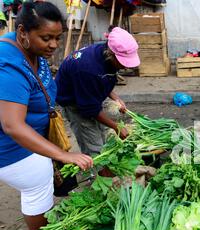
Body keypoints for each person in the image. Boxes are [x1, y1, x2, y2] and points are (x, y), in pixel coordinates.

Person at [0, 1, 93, 230]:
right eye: (46, 38)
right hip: (9, 146)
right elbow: (12, 125)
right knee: (37, 179)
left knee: (43, 175)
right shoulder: (9, 65)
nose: (53, 45)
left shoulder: (31, 48)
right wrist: (62, 154)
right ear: (23, 32)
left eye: (57, 38)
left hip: (31, 135)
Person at [55, 26, 140, 159]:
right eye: (123, 61)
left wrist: (115, 97)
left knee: (103, 132)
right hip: (75, 102)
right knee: (95, 147)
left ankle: (105, 169)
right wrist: (117, 127)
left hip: (87, 93)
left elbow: (104, 79)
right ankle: (98, 176)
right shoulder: (88, 69)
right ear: (111, 54)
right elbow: (90, 109)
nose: (126, 66)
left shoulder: (104, 54)